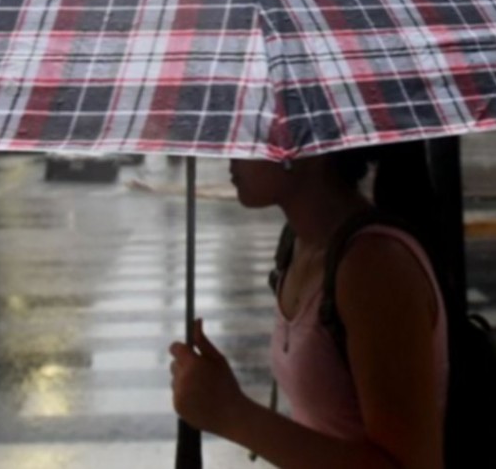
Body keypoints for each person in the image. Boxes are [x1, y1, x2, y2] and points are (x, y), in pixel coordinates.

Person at [169, 148, 448, 469]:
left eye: (252, 136)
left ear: (304, 149)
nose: (230, 154)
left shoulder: (373, 265)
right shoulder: (299, 246)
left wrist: (234, 414)